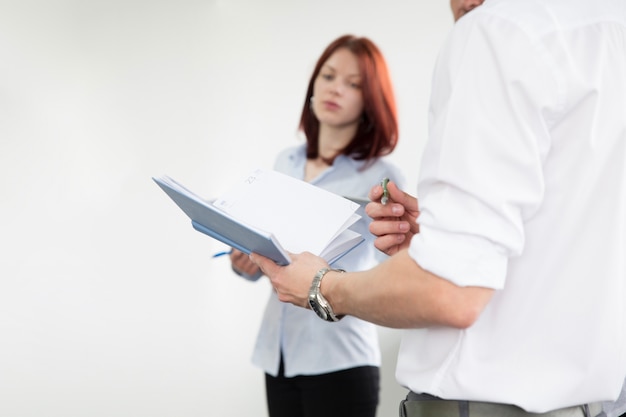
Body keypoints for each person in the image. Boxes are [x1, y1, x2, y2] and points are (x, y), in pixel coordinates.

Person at [250, 0, 626, 416]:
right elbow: (569, 241)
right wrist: (432, 245)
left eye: (353, 83)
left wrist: (321, 286)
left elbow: (451, 291)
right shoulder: (610, 32)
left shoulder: (499, 31)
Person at [228, 34, 404, 417]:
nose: (335, 88)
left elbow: (398, 273)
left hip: (340, 359)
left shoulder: (382, 177)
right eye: (328, 76)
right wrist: (247, 261)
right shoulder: (285, 161)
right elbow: (273, 249)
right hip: (279, 355)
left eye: (353, 83)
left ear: (370, 101)